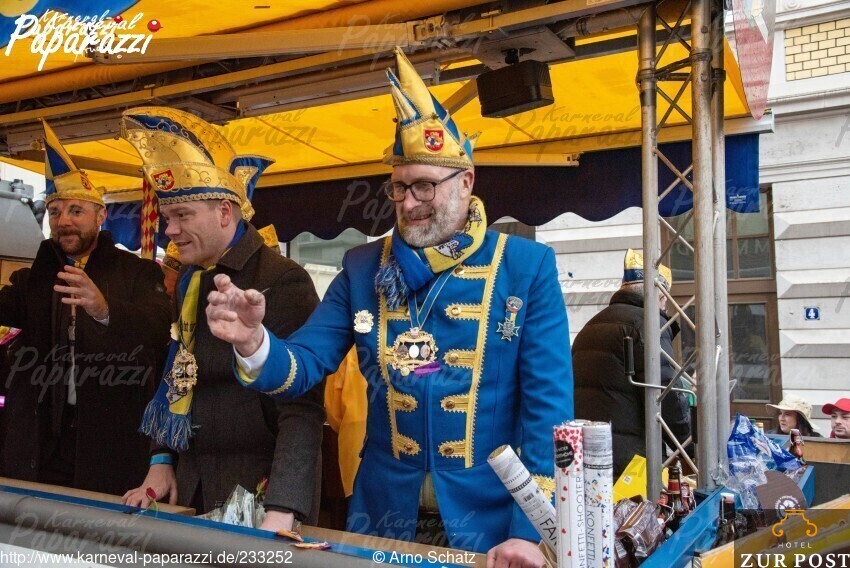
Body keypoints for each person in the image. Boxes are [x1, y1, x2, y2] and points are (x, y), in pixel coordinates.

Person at [206, 48, 573, 567]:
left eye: (425, 185)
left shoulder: (525, 267)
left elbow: (547, 414)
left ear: (466, 182)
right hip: (384, 516)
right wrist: (253, 341)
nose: (408, 202)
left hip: (492, 526)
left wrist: (530, 532)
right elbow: (305, 362)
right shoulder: (362, 266)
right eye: (399, 187)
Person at [118, 107, 325, 531]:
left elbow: (302, 407)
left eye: (182, 216)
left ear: (225, 213)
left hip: (259, 491)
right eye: (168, 218)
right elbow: (179, 372)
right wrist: (161, 459)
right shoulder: (190, 279)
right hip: (191, 482)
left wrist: (284, 505)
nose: (170, 230)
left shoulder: (283, 279)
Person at [0, 119, 170, 495]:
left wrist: (104, 308)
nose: (64, 221)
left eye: (76, 211)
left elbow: (158, 328)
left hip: (110, 444)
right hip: (42, 445)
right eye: (55, 212)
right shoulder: (32, 280)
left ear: (100, 215)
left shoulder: (138, 273)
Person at [572, 249, 691, 478]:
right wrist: (690, 443)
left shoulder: (590, 325)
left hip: (588, 454)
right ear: (661, 295)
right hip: (632, 464)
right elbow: (667, 393)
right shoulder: (649, 324)